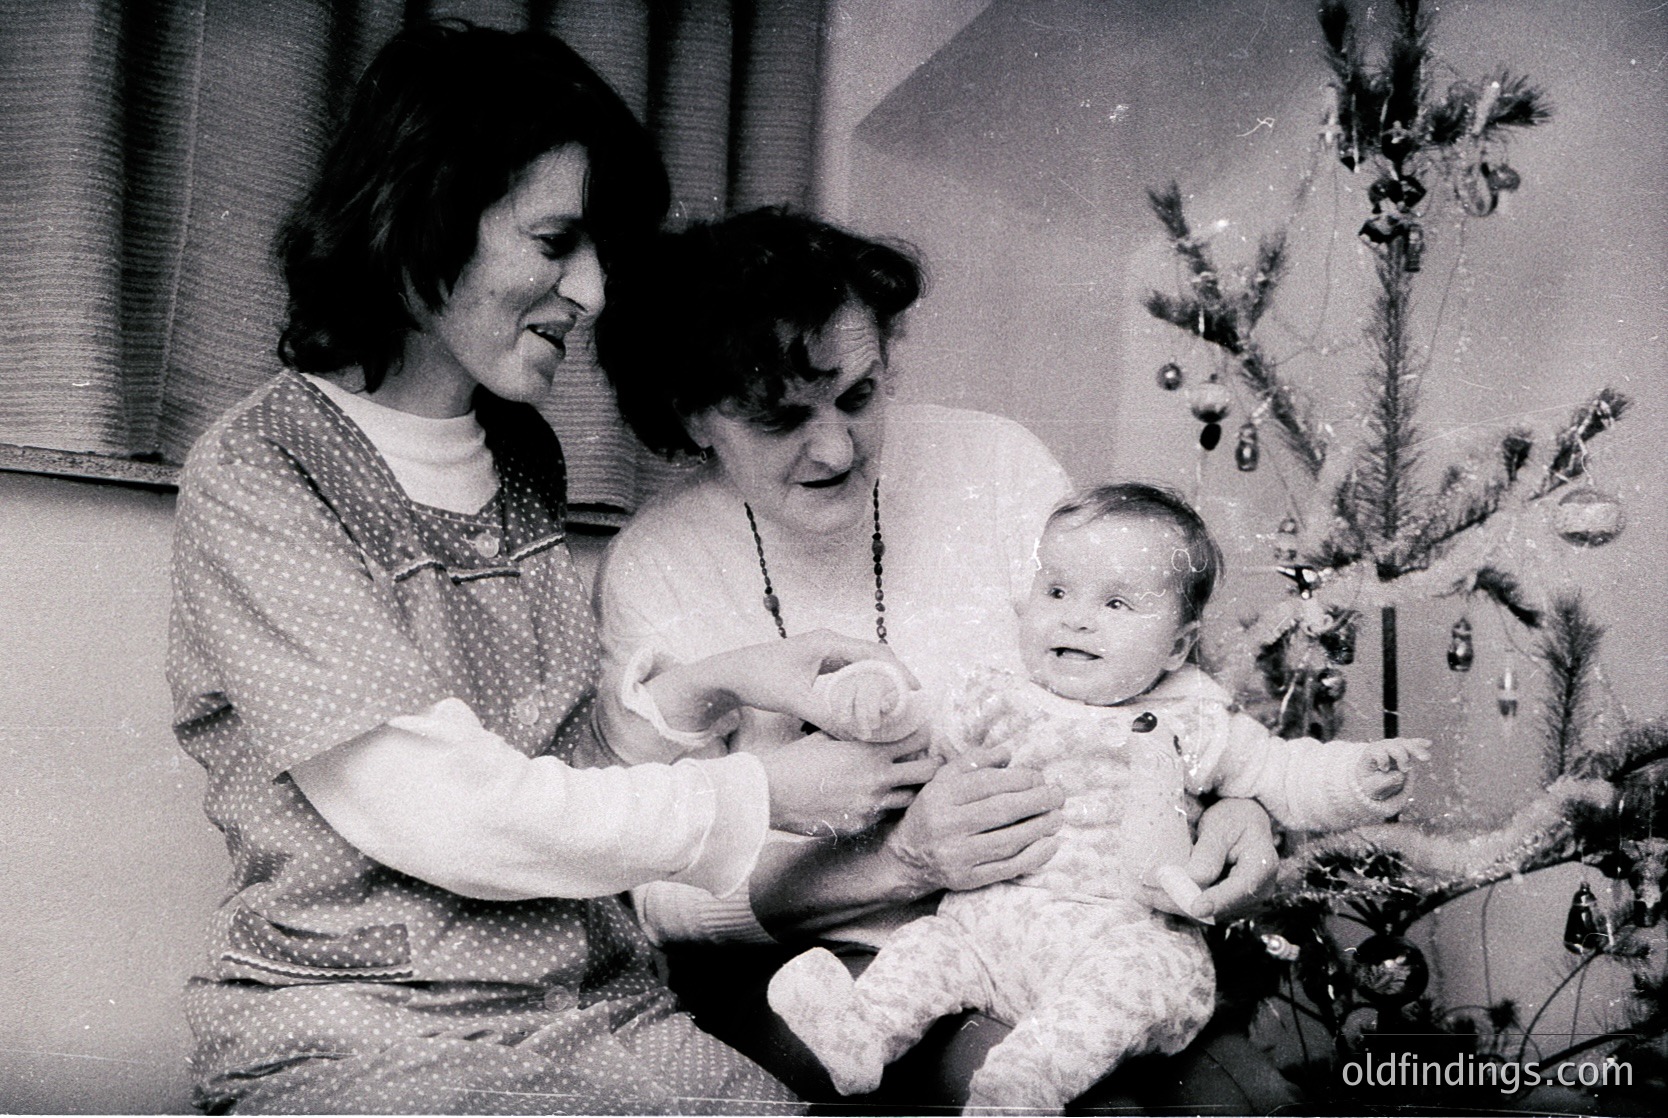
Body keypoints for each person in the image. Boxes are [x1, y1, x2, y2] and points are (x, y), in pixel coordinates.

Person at [166, 25, 929, 1114]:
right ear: (420, 209)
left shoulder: (521, 454)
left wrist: (732, 678)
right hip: (367, 1021)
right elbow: (445, 809)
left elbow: (557, 761)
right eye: (558, 239)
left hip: (592, 1003)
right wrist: (761, 794)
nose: (595, 290)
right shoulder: (262, 472)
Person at [592, 208, 1288, 1107]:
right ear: (692, 417)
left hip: (1069, 930)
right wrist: (899, 865)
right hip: (831, 972)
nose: (837, 447)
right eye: (780, 419)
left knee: (1247, 1103)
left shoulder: (993, 463)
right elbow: (657, 897)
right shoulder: (658, 563)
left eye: (858, 395)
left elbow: (1137, 663)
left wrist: (1241, 805)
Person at [767, 483, 1430, 1111]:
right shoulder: (998, 696)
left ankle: (1025, 1083)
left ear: (1177, 646)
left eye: (1115, 605)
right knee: (925, 951)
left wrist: (1359, 777)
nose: (1077, 619)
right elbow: (908, 732)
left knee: (1123, 988)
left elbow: (1283, 776)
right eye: (1057, 591)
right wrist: (870, 698)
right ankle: (859, 1035)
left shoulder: (1193, 718)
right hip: (990, 927)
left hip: (1120, 934)